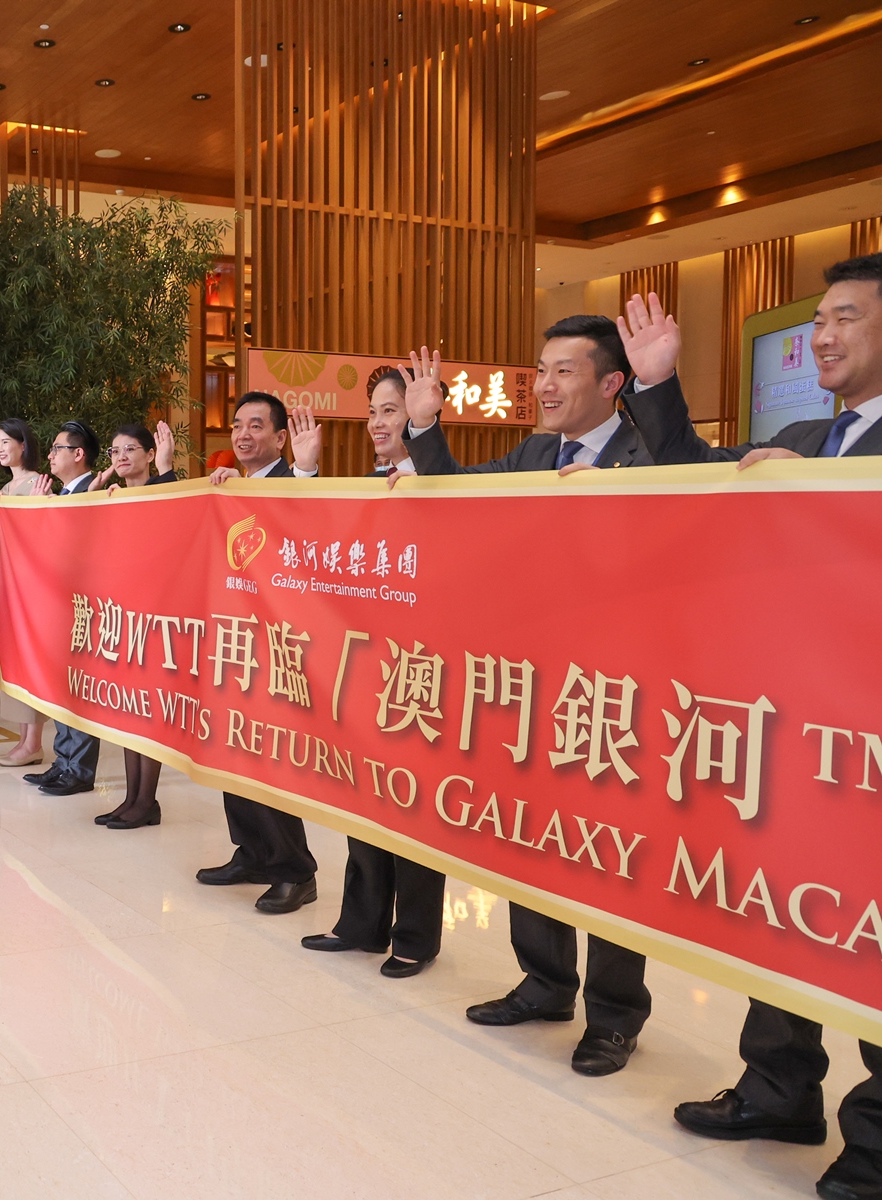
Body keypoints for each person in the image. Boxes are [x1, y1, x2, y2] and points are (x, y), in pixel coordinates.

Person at [626, 254, 882, 1200]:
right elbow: (700, 479)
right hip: (789, 726)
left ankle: (876, 1146)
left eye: (845, 317)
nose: (822, 335)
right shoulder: (806, 434)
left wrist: (827, 488)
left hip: (868, 740)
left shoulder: (831, 454)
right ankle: (779, 1089)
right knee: (784, 911)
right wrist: (659, 385)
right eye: (819, 319)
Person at [401, 311, 665, 1077]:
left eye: (564, 371)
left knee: (609, 855)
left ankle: (614, 1016)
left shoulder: (651, 455)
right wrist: (426, 429)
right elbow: (457, 496)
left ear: (611, 384)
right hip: (534, 685)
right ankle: (545, 982)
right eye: (541, 371)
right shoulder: (533, 452)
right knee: (534, 835)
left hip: (618, 692)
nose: (544, 386)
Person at [299, 370, 441, 977]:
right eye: (374, 411)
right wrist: (304, 474)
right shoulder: (363, 486)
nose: (378, 423)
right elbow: (312, 543)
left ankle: (415, 936)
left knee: (412, 808)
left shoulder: (444, 485)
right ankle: (361, 924)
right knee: (363, 800)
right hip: (364, 668)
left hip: (421, 672)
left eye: (392, 410)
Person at [196, 393, 324, 914]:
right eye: (237, 426)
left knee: (269, 758)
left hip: (280, 647)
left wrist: (306, 470)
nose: (243, 435)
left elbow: (307, 524)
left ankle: (296, 870)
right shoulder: (233, 488)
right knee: (233, 750)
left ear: (280, 437)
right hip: (235, 642)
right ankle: (251, 853)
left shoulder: (293, 481)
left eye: (256, 425)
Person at [85, 421, 176, 830]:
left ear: (150, 454)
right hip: (122, 617)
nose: (120, 457)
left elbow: (176, 528)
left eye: (129, 450)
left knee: (149, 711)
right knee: (128, 710)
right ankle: (132, 796)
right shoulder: (114, 498)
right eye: (114, 451)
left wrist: (167, 469)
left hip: (156, 619)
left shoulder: (165, 492)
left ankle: (147, 801)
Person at [24, 419, 104, 797]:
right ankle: (63, 761)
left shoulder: (96, 493)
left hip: (84, 607)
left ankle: (80, 770)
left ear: (78, 454)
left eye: (58, 448)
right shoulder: (60, 495)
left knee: (80, 688)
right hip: (57, 607)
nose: (51, 455)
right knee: (60, 686)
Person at [0, 418, 48, 768]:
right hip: (9, 584)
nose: (0, 448)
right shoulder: (5, 489)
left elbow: (39, 539)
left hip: (30, 587)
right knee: (14, 660)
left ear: (23, 445)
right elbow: (0, 540)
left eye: (6, 441)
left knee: (29, 660)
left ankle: (33, 742)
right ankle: (24, 740)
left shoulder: (38, 484)